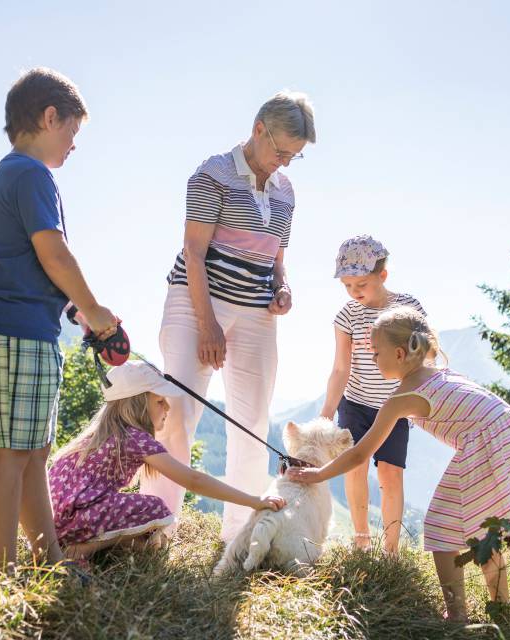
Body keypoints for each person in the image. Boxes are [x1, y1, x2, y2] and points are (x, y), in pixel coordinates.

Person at [288, 306, 510, 621]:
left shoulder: (400, 398)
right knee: (488, 526)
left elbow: (361, 453)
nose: (373, 359)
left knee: (440, 528)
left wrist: (318, 473)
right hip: (508, 429)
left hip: (486, 441)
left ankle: (457, 615)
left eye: (376, 353)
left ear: (400, 354)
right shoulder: (435, 371)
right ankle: (501, 607)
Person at [0, 67, 119, 576]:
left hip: (29, 324)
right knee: (11, 453)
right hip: (16, 328)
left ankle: (47, 559)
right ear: (50, 117)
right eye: (72, 131)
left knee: (33, 451)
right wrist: (95, 311)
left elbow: (28, 263)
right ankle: (0, 574)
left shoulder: (18, 174)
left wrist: (71, 307)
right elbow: (52, 252)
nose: (74, 143)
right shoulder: (30, 174)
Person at [142, 90, 316, 541]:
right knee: (175, 414)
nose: (284, 163)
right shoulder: (211, 175)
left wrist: (282, 287)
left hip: (256, 313)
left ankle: (240, 537)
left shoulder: (285, 191)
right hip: (197, 302)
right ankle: (154, 528)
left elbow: (277, 257)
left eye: (293, 157)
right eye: (280, 151)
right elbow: (193, 253)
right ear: (258, 129)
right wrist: (208, 325)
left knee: (253, 421)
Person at [49, 362, 285, 560]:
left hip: (52, 521)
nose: (168, 408)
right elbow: (193, 480)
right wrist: (254, 501)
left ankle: (93, 546)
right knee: (155, 509)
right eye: (160, 401)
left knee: (148, 538)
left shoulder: (93, 438)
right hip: (78, 518)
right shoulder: (136, 438)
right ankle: (79, 551)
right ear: (138, 404)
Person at [320, 235, 426, 554]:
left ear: (383, 275)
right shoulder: (347, 315)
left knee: (391, 474)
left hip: (396, 407)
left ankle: (390, 550)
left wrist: (419, 403)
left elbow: (423, 359)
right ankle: (361, 539)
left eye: (361, 284)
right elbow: (341, 368)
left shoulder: (409, 309)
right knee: (355, 466)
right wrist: (327, 411)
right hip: (355, 403)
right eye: (348, 286)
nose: (355, 292)